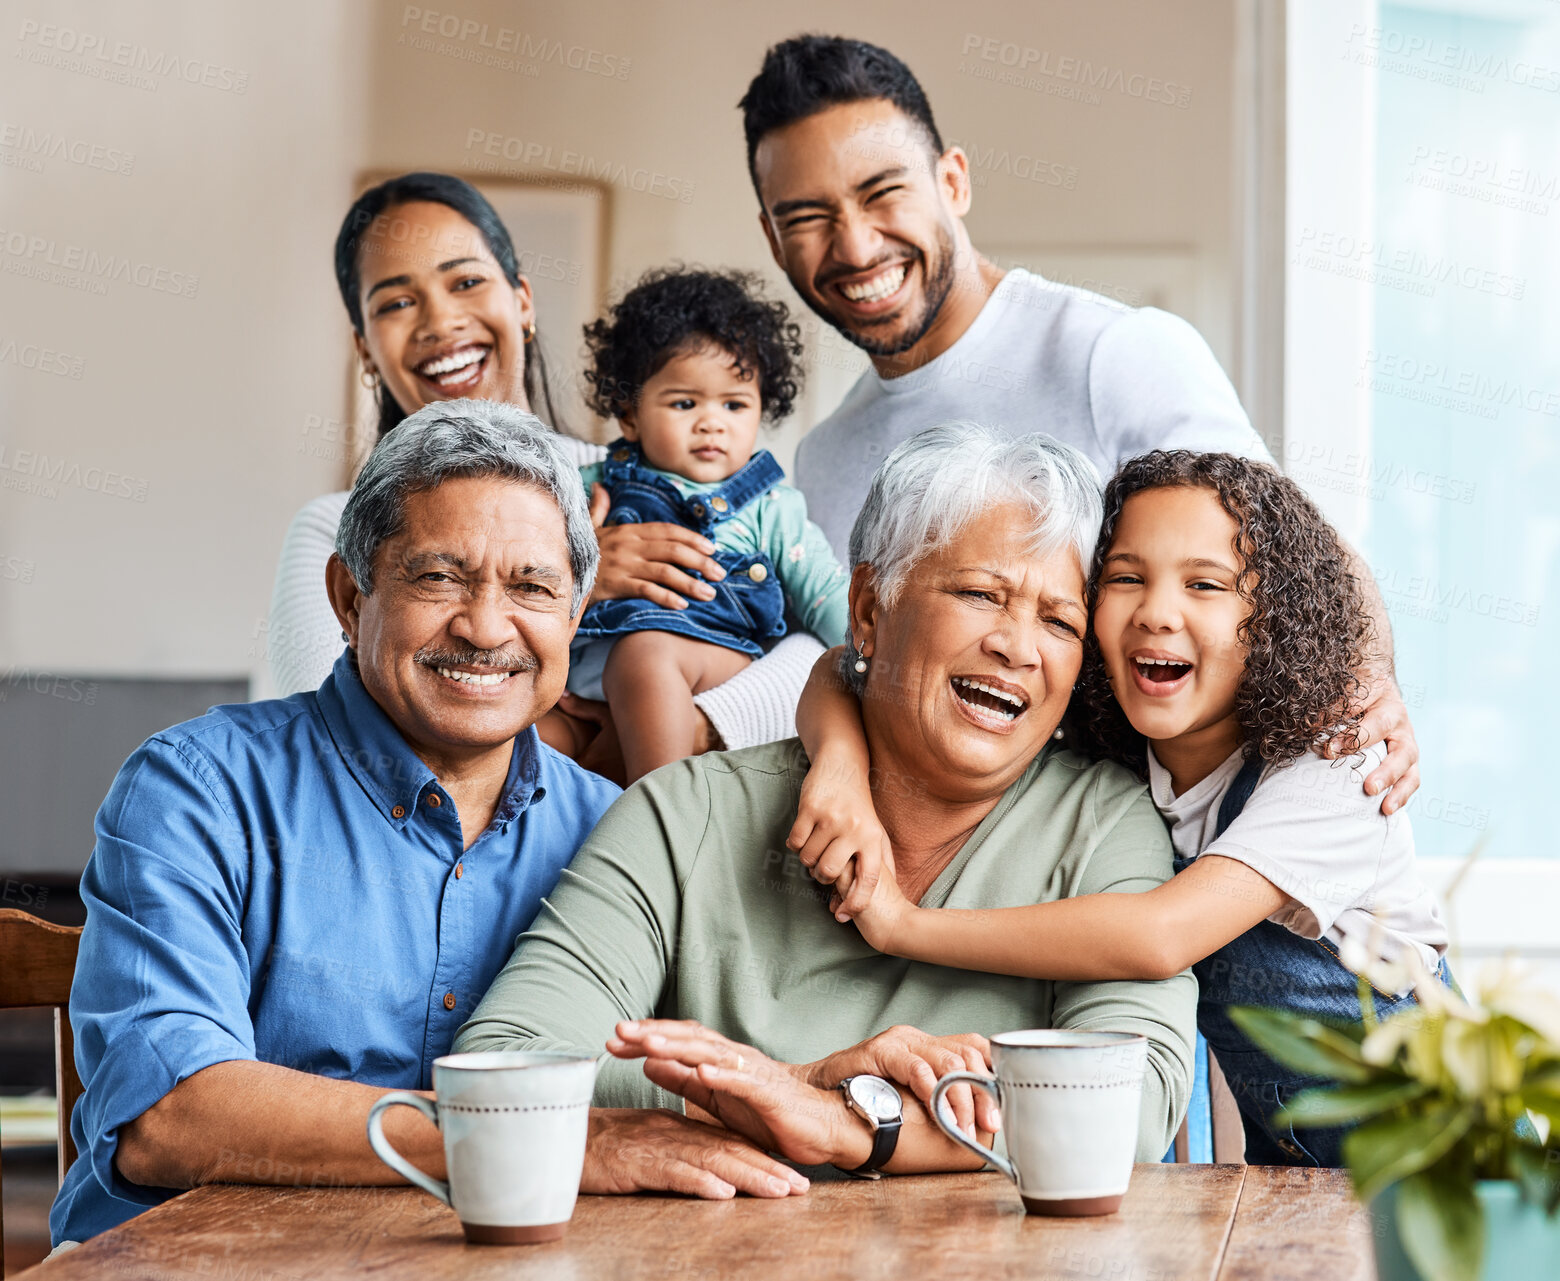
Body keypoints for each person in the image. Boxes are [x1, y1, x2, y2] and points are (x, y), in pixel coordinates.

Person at [52, 403, 806, 1248]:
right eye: (438, 577)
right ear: (349, 595)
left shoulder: (618, 833)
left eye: (531, 587)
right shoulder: (198, 788)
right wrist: (560, 1140)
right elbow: (169, 1114)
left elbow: (715, 1069)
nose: (486, 628)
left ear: (576, 613)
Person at [704, 35, 1422, 817]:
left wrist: (1368, 679)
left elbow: (1300, 551)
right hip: (1002, 898)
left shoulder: (1113, 353)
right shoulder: (824, 458)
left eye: (882, 193)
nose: (855, 244)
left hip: (1223, 851)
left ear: (953, 181)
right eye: (806, 217)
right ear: (773, 239)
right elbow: (843, 666)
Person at [453, 424, 1197, 1176]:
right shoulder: (684, 813)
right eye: (980, 593)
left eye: (1060, 620)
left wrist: (851, 1122)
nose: (1018, 645)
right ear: (871, 609)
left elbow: (1128, 1108)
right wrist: (787, 1087)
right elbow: (502, 1066)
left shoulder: (1105, 825)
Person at [789, 449, 1449, 1167]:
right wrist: (839, 767)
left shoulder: (1339, 763)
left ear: (1276, 617)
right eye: (1126, 578)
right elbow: (843, 665)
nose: (1157, 613)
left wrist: (903, 923)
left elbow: (1159, 935)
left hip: (1448, 1161)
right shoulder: (1123, 739)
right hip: (1299, 1173)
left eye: (1205, 584)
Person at [268, 173, 806, 767]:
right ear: (366, 346)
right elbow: (334, 732)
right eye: (396, 302)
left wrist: (680, 722)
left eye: (466, 281)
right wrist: (563, 590)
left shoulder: (636, 484)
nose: (439, 321)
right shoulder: (331, 528)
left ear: (522, 300)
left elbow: (817, 649)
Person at [555, 268, 848, 781]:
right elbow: (523, 560)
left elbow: (823, 593)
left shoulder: (769, 506)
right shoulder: (586, 484)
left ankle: (664, 829)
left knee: (643, 658)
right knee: (530, 738)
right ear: (629, 414)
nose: (712, 422)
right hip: (585, 682)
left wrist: (881, 662)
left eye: (734, 404)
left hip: (701, 660)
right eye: (685, 403)